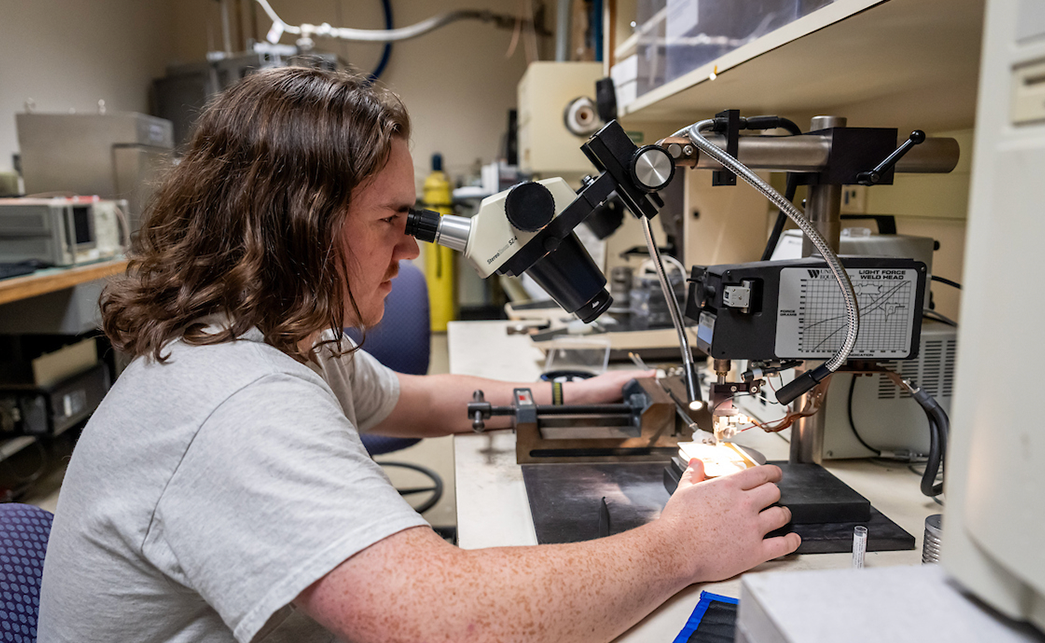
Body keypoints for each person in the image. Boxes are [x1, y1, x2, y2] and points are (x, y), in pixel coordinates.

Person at [38, 66, 799, 643]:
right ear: (298, 225)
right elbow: (445, 622)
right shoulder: (240, 400)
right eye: (389, 220)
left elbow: (414, 399)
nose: (409, 246)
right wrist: (678, 544)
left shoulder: (270, 333)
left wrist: (578, 395)